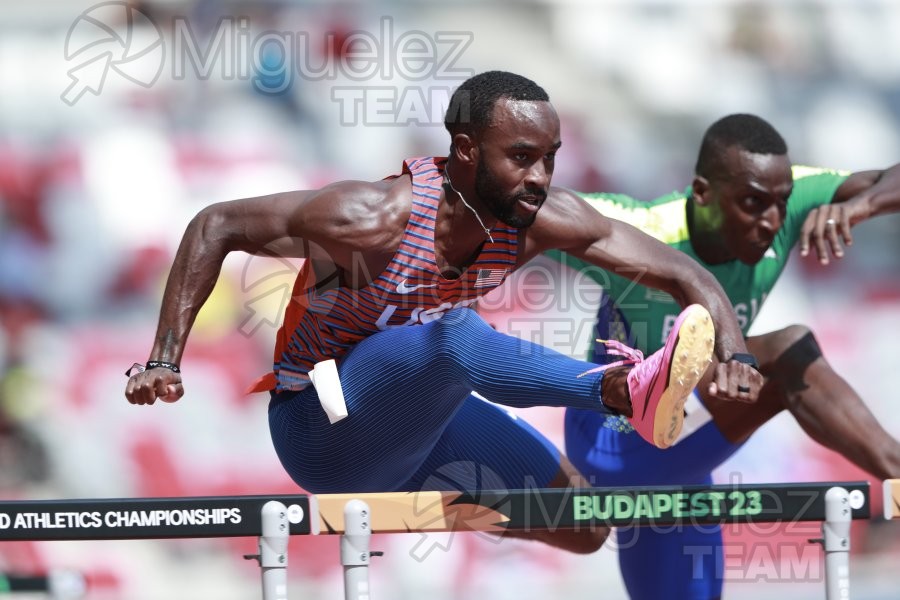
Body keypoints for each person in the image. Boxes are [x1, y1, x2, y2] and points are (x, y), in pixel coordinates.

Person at [124, 71, 763, 554]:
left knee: (584, 526)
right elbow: (216, 223)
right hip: (318, 428)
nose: (540, 176)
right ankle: (620, 390)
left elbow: (682, 272)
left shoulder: (539, 219)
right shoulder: (368, 219)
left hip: (417, 425)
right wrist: (163, 358)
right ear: (464, 150)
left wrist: (733, 351)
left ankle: (426, 498)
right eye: (521, 157)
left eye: (551, 157)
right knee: (450, 329)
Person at [547, 113, 900, 594]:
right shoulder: (643, 228)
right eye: (753, 204)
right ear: (702, 193)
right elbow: (522, 209)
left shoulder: (786, 194)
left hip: (685, 453)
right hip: (610, 444)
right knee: (786, 350)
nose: (773, 222)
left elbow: (884, 179)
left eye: (781, 204)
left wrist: (860, 207)